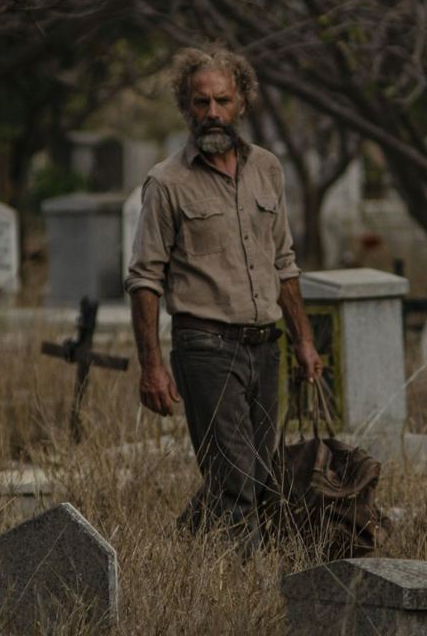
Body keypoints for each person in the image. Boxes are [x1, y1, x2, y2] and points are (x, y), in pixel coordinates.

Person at [124, 45, 324, 551]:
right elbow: (145, 278)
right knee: (235, 480)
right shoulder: (167, 183)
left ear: (242, 104)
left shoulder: (268, 170)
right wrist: (150, 366)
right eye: (200, 102)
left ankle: (179, 552)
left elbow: (284, 261)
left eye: (222, 100)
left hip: (265, 344)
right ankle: (246, 589)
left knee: (257, 477)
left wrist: (303, 340)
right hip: (205, 347)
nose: (211, 112)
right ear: (186, 108)